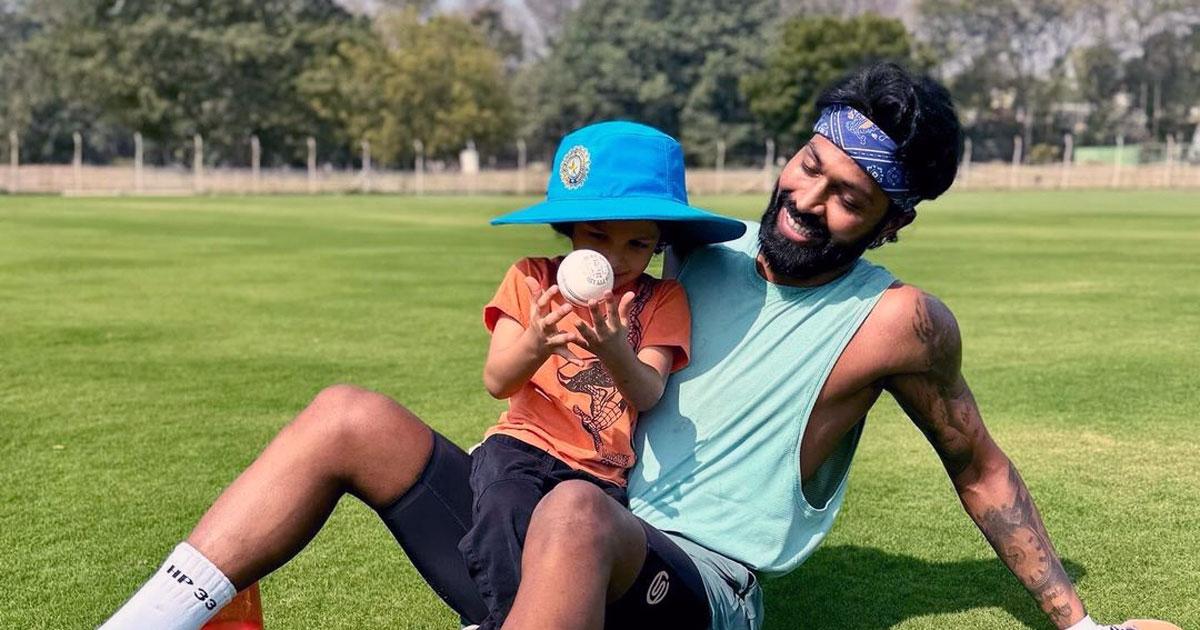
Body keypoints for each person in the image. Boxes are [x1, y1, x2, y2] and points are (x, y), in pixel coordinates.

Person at [100, 63, 1174, 630]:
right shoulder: (684, 249)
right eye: (809, 166)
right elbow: (569, 264)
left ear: (891, 225)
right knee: (349, 415)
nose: (808, 201)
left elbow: (978, 466)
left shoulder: (899, 322)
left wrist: (1079, 625)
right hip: (550, 525)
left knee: (577, 515)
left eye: (849, 199)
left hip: (688, 586)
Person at [461, 121, 744, 629]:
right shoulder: (532, 279)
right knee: (503, 510)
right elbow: (497, 381)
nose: (615, 258)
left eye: (638, 243)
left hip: (599, 472)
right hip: (520, 447)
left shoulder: (662, 299)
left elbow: (649, 391)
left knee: (578, 547)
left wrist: (617, 352)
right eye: (597, 236)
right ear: (569, 228)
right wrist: (535, 343)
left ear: (660, 244)